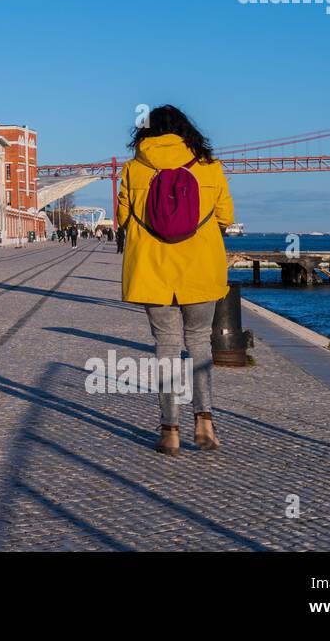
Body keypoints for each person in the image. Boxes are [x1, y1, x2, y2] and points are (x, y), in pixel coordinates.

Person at [117, 105, 234, 456]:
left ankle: (169, 431)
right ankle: (205, 422)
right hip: (200, 269)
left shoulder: (134, 168)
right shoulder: (209, 166)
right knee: (199, 344)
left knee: (166, 348)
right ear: (187, 130)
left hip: (153, 271)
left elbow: (123, 218)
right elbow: (226, 216)